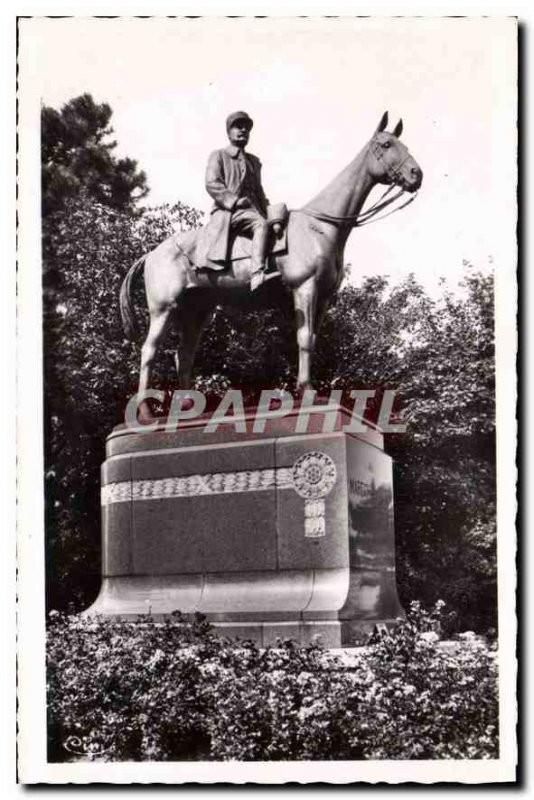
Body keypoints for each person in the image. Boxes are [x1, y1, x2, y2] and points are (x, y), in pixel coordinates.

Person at [205, 111, 281, 292]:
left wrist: (272, 212)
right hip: (229, 213)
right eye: (238, 126)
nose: (243, 130)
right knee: (261, 225)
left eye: (246, 127)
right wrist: (233, 201)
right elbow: (212, 183)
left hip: (253, 210)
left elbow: (259, 192)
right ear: (229, 131)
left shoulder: (254, 161)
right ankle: (256, 274)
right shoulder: (219, 155)